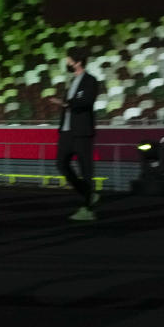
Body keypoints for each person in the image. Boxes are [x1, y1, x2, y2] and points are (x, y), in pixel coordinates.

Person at [48, 47, 100, 221]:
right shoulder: (73, 81)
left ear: (78, 62)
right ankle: (88, 194)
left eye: (69, 60)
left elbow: (86, 102)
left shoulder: (90, 81)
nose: (67, 63)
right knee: (61, 164)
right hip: (66, 131)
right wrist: (66, 103)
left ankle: (88, 209)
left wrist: (65, 103)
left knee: (86, 169)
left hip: (81, 131)